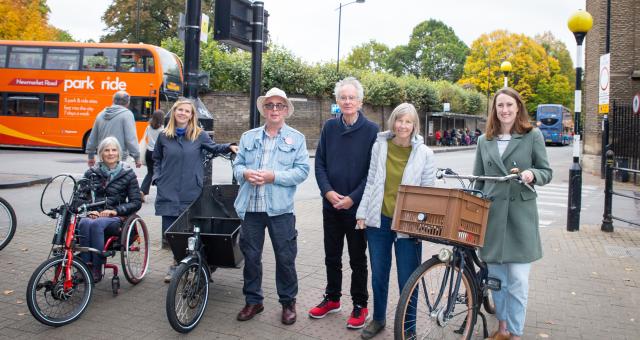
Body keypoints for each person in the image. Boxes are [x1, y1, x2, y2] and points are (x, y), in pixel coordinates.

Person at [473, 87, 552, 340]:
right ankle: (503, 328)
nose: (505, 110)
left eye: (509, 105)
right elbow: (478, 180)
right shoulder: (484, 140)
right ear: (494, 110)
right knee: (496, 280)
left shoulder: (532, 135)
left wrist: (532, 174)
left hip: (520, 217)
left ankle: (516, 333)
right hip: (493, 218)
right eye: (500, 106)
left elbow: (546, 171)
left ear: (518, 107)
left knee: (518, 280)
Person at [355, 103, 435, 339]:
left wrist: (422, 224)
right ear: (393, 122)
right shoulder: (380, 146)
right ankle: (378, 319)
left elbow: (428, 193)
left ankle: (408, 329)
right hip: (378, 220)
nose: (403, 125)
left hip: (408, 225)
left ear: (414, 125)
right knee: (379, 274)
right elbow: (370, 182)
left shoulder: (424, 154)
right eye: (399, 120)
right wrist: (362, 213)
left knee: (408, 279)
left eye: (408, 121)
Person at [233, 87, 309, 325]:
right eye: (270, 105)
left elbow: (302, 171)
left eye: (279, 105)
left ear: (286, 110)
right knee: (251, 257)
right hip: (251, 208)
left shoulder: (297, 138)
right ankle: (253, 300)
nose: (274, 109)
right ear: (264, 109)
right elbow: (237, 167)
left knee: (285, 258)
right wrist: (245, 173)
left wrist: (273, 176)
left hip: (281, 210)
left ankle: (288, 303)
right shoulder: (248, 137)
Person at [311, 77, 379, 329]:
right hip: (331, 206)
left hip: (357, 209)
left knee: (357, 259)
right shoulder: (329, 127)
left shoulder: (372, 131)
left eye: (352, 97)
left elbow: (372, 172)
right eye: (343, 97)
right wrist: (328, 192)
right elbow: (319, 164)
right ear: (337, 101)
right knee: (331, 256)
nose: (347, 101)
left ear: (360, 101)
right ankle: (332, 298)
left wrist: (353, 198)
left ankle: (360, 305)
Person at [153, 98, 238, 282]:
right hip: (167, 190)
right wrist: (157, 177)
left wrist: (229, 146)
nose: (183, 113)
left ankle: (194, 265)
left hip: (191, 190)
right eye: (180, 110)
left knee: (191, 231)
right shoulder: (163, 136)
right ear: (174, 112)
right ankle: (176, 264)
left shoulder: (199, 135)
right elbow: (156, 158)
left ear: (192, 116)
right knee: (172, 233)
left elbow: (214, 148)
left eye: (187, 111)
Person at [78, 137, 142, 282]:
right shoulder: (91, 173)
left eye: (114, 150)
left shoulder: (128, 174)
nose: (110, 153)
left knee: (96, 224)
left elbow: (136, 202)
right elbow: (79, 199)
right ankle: (85, 266)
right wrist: (88, 210)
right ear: (101, 153)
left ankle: (96, 268)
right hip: (94, 214)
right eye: (107, 150)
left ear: (119, 153)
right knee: (84, 223)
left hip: (116, 217)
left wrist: (115, 211)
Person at [86, 91, 141, 168]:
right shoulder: (127, 115)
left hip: (103, 155)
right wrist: (137, 157)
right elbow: (131, 139)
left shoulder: (101, 114)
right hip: (118, 155)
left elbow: (93, 137)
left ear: (113, 100)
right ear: (127, 103)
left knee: (104, 177)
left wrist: (91, 156)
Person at [139, 110, 164, 202]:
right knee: (160, 173)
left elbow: (144, 138)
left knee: (150, 172)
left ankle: (143, 191)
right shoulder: (162, 129)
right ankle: (161, 193)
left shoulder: (149, 127)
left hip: (148, 152)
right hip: (158, 153)